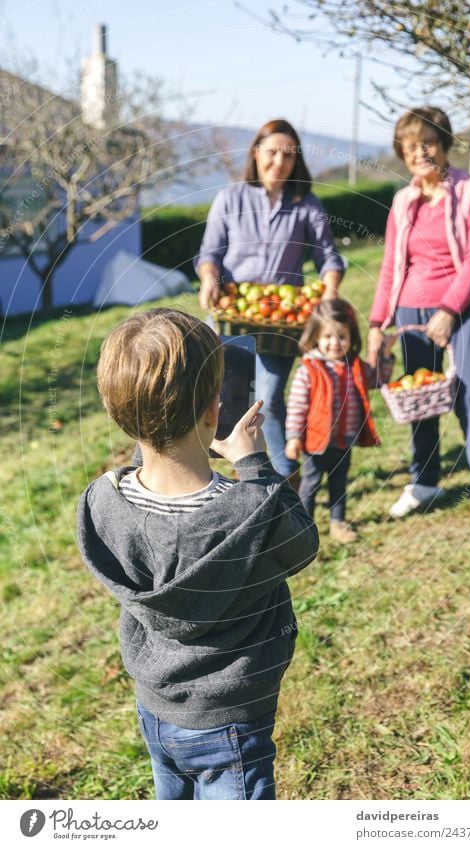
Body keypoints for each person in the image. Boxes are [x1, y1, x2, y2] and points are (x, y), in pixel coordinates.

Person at [76, 308, 319, 800]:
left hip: (156, 707)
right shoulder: (250, 511)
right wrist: (252, 462)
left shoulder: (101, 501)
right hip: (231, 724)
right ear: (214, 411)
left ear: (121, 415)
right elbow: (302, 542)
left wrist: (160, 433)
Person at [368, 106, 470, 530]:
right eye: (410, 146)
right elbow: (392, 263)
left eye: (428, 141)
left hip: (465, 308)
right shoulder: (403, 200)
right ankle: (425, 481)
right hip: (412, 310)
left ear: (445, 144)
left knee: (468, 392)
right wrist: (377, 324)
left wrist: (449, 310)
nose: (420, 152)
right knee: (421, 399)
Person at [196, 118, 347, 478]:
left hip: (283, 320)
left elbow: (328, 257)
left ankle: (281, 478)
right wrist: (208, 280)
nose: (279, 162)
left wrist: (330, 290)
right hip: (234, 310)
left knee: (269, 400)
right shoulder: (230, 199)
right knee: (223, 401)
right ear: (255, 153)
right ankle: (218, 478)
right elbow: (209, 255)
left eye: (288, 155)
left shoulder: (306, 204)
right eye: (272, 152)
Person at [285, 299, 395, 544]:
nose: (335, 343)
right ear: (315, 337)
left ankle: (338, 522)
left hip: (344, 440)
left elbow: (377, 379)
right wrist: (293, 437)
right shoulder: (308, 369)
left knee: (339, 482)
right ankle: (303, 526)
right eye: (327, 337)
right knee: (311, 484)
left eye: (342, 337)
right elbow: (296, 406)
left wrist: (385, 355)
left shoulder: (354, 366)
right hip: (315, 442)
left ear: (351, 337)